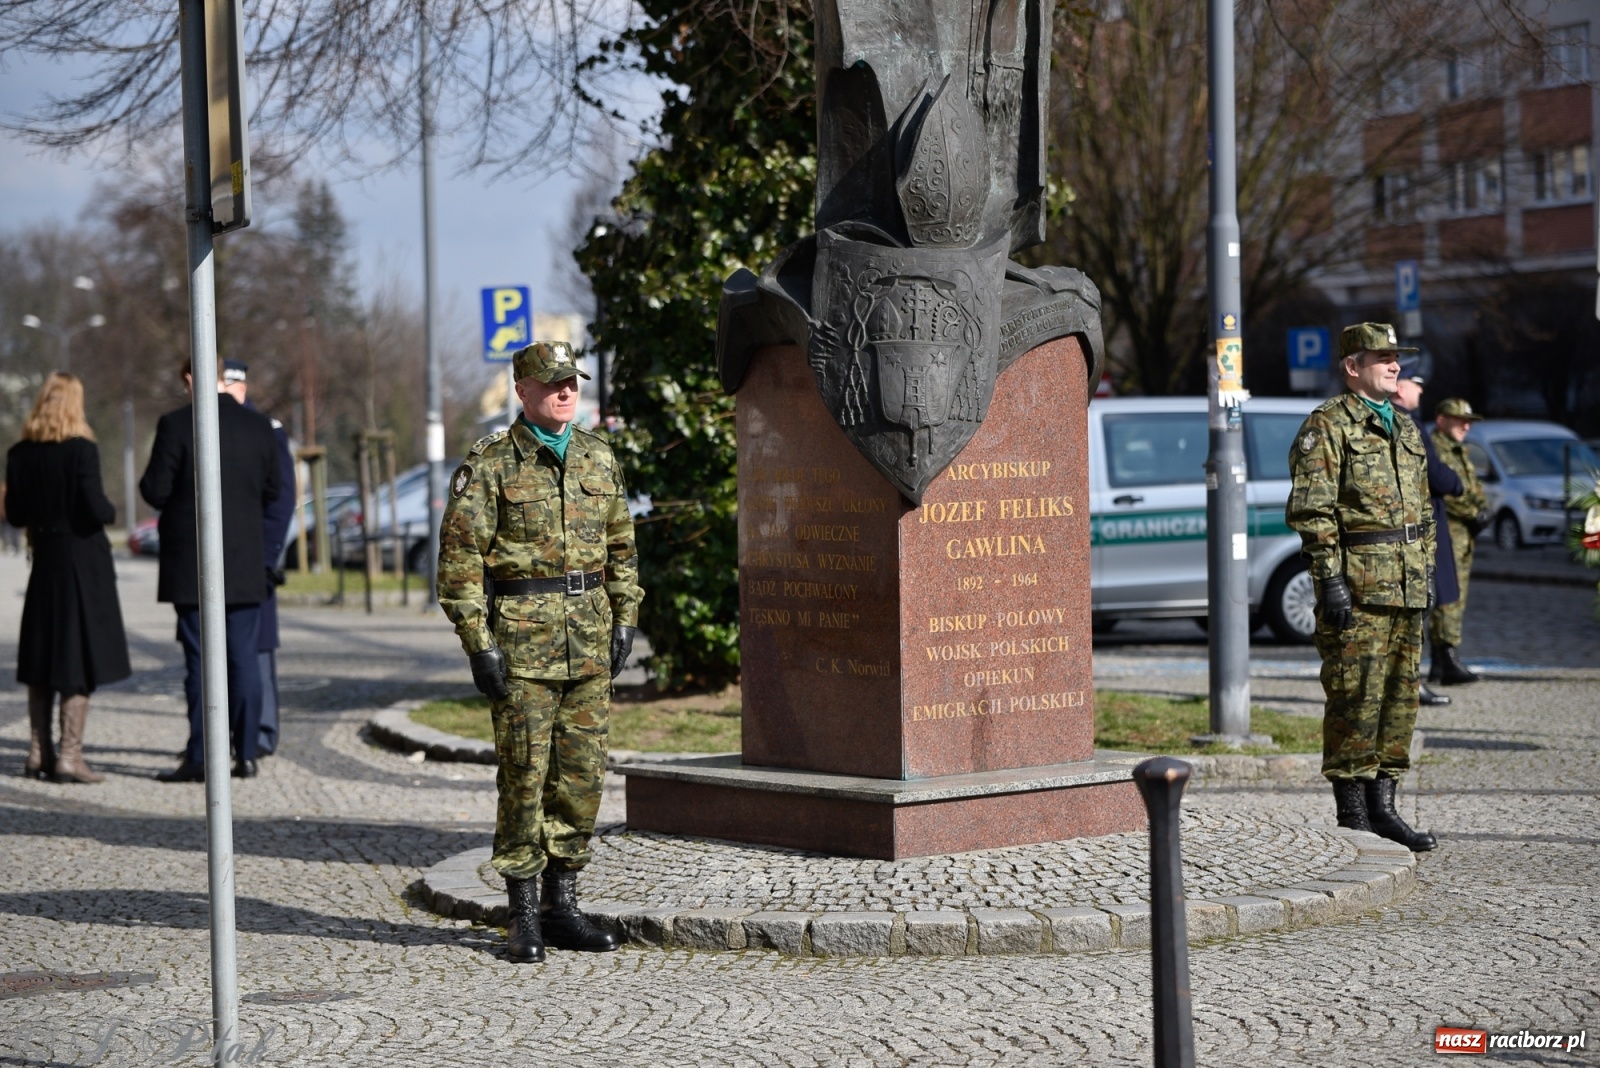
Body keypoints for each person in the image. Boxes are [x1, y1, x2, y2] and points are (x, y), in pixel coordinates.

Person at [437, 340, 643, 963]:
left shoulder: (598, 458)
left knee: (581, 779)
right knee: (524, 778)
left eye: (571, 381)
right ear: (522, 391)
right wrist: (479, 645)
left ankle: (564, 906)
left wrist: (626, 617)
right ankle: (522, 913)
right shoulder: (492, 465)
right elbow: (460, 565)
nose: (565, 391)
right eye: (551, 382)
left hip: (588, 642)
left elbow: (622, 549)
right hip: (522, 646)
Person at [1287, 322, 1437, 853]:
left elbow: (1424, 512)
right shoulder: (1327, 426)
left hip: (1406, 587)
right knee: (1355, 698)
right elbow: (1312, 511)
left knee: (1400, 700)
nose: (1395, 365)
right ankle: (1352, 815)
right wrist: (1329, 582)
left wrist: (1428, 573)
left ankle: (1386, 808)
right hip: (1358, 589)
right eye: (1382, 358)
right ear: (1353, 367)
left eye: (1397, 357)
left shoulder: (1406, 427)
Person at [141, 360, 281, 782]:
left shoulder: (176, 424)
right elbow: (273, 490)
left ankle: (202, 755)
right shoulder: (257, 427)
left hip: (192, 565)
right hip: (244, 562)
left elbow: (155, 489)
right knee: (242, 659)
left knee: (200, 662)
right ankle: (248, 752)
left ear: (190, 378)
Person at [5, 373, 132, 782]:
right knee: (76, 656)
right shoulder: (81, 450)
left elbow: (17, 515)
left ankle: (38, 752)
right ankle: (70, 758)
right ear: (74, 405)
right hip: (81, 562)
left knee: (41, 655)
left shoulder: (19, 453)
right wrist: (111, 510)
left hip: (44, 560)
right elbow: (95, 508)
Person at [219, 359, 296, 754]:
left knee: (257, 649)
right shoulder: (202, 425)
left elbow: (281, 502)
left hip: (253, 559)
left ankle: (261, 733)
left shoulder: (266, 430)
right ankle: (223, 735)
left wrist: (267, 556)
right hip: (222, 560)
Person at [1392, 359, 1461, 708]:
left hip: (1415, 526)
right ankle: (1411, 682)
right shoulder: (1407, 422)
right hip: (1418, 528)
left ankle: (1415, 677)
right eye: (1415, 383)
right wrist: (1456, 482)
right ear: (1401, 385)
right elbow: (1434, 474)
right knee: (1419, 607)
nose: (1420, 389)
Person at [1429, 398, 1489, 685]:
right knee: (1447, 599)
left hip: (1464, 536)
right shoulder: (1435, 448)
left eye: (1469, 421)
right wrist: (1475, 512)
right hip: (1448, 532)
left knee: (1457, 596)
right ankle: (1446, 658)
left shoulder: (1459, 450)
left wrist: (1482, 508)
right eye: (1459, 420)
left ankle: (1443, 662)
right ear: (1441, 420)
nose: (1466, 425)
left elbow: (1472, 488)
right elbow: (1446, 492)